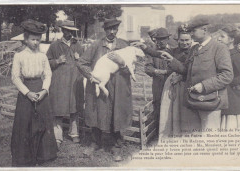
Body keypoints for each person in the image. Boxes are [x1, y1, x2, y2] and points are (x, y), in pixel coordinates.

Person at [133, 19, 234, 130]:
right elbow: (185, 70)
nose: (191, 34)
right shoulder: (195, 49)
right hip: (194, 100)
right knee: (194, 135)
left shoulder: (219, 48)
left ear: (204, 30)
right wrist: (171, 59)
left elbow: (227, 75)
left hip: (211, 101)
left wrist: (204, 86)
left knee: (209, 136)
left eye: (193, 31)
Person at [76, 18, 133, 161]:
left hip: (119, 86)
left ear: (117, 30)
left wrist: (123, 63)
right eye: (109, 29)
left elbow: (133, 70)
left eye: (115, 29)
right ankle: (95, 143)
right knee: (96, 112)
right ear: (105, 30)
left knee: (117, 113)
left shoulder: (124, 46)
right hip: (100, 85)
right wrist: (91, 76)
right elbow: (81, 62)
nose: (112, 32)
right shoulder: (96, 46)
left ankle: (117, 146)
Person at [11, 19, 57, 166]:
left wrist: (44, 90)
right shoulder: (19, 55)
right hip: (27, 90)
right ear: (26, 39)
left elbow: (48, 74)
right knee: (25, 123)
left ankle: (44, 154)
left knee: (43, 122)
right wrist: (27, 93)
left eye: (38, 40)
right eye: (32, 39)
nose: (36, 43)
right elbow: (15, 77)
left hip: (40, 89)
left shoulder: (42, 56)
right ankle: (24, 157)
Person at [159, 24, 201, 139]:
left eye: (187, 40)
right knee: (171, 110)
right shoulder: (173, 51)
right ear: (178, 40)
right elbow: (160, 55)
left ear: (191, 39)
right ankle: (171, 135)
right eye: (181, 40)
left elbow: (193, 70)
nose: (184, 43)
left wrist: (181, 77)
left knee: (186, 111)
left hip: (188, 83)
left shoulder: (195, 50)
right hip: (173, 84)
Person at [46, 20, 84, 147]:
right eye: (67, 31)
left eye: (72, 31)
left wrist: (80, 59)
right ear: (63, 30)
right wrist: (56, 61)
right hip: (59, 81)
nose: (70, 33)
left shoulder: (78, 45)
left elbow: (85, 63)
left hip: (74, 80)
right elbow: (46, 63)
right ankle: (58, 136)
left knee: (74, 107)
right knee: (58, 107)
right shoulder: (54, 45)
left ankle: (74, 133)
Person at [218, 25, 240, 129]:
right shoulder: (223, 53)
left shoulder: (236, 55)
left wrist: (229, 81)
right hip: (224, 97)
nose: (218, 39)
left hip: (233, 98)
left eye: (222, 37)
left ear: (231, 39)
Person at [144, 28, 171, 135]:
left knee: (171, 107)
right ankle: (158, 134)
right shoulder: (152, 52)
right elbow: (147, 68)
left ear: (168, 38)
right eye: (158, 39)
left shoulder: (173, 50)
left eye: (163, 39)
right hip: (158, 85)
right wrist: (160, 71)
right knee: (158, 107)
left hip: (171, 85)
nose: (161, 41)